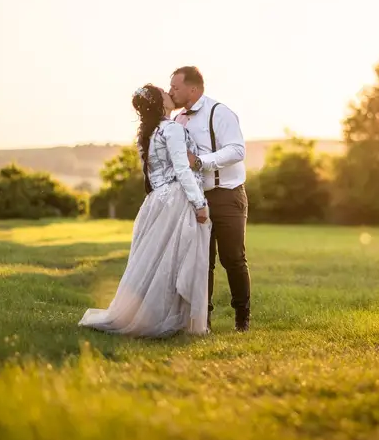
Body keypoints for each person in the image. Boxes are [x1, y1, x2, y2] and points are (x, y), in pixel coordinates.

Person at [78, 84, 211, 337]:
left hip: (156, 201)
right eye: (164, 92)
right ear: (159, 103)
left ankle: (159, 315)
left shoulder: (147, 134)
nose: (169, 94)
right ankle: (167, 320)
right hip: (176, 200)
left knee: (157, 261)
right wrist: (199, 203)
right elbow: (182, 169)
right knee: (176, 260)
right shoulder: (171, 129)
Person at [169, 66, 251, 332]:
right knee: (203, 262)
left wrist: (203, 162)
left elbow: (237, 150)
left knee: (233, 259)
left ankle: (242, 319)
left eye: (176, 87)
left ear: (193, 89)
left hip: (227, 196)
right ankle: (203, 321)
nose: (172, 91)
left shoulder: (220, 112)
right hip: (195, 200)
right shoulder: (178, 120)